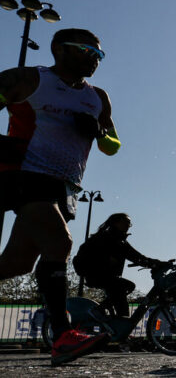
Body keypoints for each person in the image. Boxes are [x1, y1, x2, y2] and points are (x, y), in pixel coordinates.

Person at [0, 28, 119, 365]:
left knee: (17, 264)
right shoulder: (27, 79)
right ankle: (63, 336)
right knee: (60, 244)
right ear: (59, 50)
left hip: (64, 186)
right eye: (87, 50)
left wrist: (98, 133)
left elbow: (113, 146)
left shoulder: (98, 97)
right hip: (24, 174)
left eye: (100, 54)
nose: (95, 58)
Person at [73, 213, 160, 317]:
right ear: (116, 223)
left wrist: (156, 263)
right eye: (126, 222)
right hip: (98, 275)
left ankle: (118, 327)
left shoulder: (119, 240)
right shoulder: (108, 238)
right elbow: (135, 257)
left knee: (121, 298)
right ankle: (100, 309)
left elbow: (137, 257)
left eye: (129, 223)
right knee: (127, 287)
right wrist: (154, 263)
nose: (128, 225)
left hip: (108, 277)